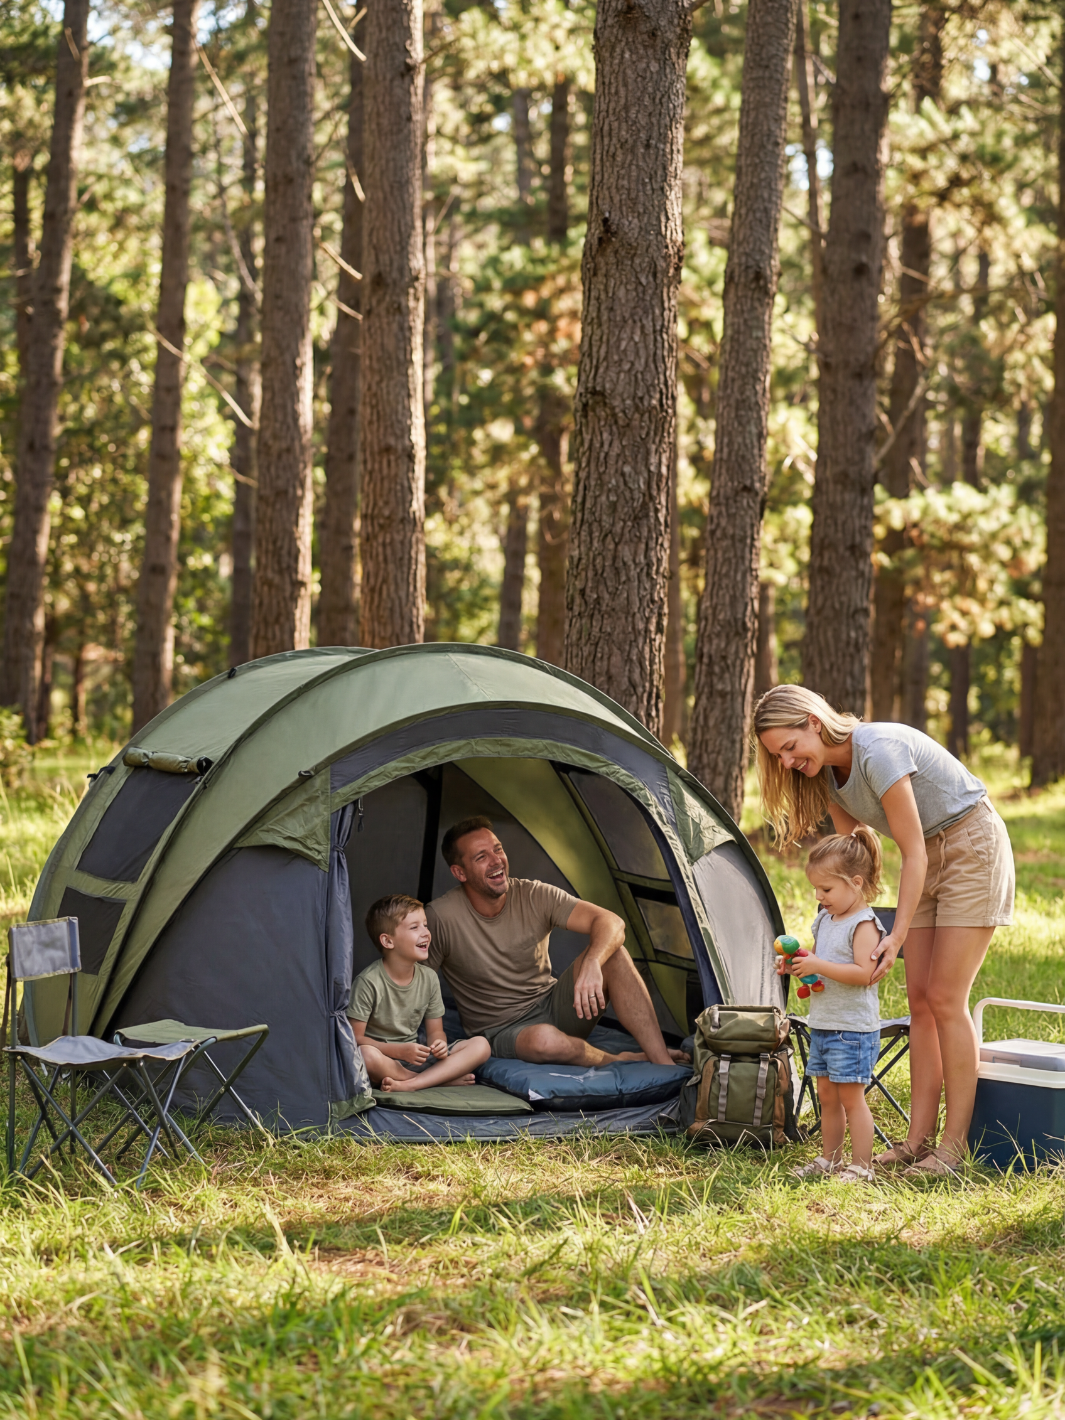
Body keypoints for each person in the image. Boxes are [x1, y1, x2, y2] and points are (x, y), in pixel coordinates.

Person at [754, 684, 1015, 1177]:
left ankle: (953, 1148)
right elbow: (855, 850)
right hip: (927, 858)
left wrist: (894, 937)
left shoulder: (877, 750)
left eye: (789, 747)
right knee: (918, 1000)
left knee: (943, 998)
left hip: (970, 847)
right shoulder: (831, 776)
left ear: (812, 720)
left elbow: (911, 850)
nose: (787, 762)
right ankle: (918, 1140)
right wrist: (841, 932)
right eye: (777, 756)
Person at [426, 817, 686, 1067]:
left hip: (555, 1005)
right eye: (482, 857)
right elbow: (416, 980)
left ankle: (661, 1060)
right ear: (459, 872)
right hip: (503, 1030)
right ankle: (619, 1061)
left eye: (498, 849)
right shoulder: (441, 917)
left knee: (614, 954)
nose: (497, 861)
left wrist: (593, 961)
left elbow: (611, 922)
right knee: (545, 1040)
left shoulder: (534, 894)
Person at [784, 829, 885, 1185]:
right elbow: (820, 959)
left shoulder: (864, 924)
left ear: (855, 883)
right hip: (824, 1022)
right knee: (826, 1095)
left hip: (852, 1029)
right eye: (816, 889)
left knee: (851, 1098)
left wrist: (819, 966)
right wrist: (800, 963)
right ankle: (830, 1159)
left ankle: (862, 1166)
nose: (819, 897)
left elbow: (864, 974)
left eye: (826, 890)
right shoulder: (825, 919)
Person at [348, 894, 491, 1092]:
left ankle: (415, 1083)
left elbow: (435, 1031)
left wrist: (438, 1045)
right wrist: (399, 1051)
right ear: (388, 941)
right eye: (415, 927)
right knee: (365, 1055)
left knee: (481, 1045)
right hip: (385, 1061)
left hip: (417, 1058)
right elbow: (355, 1038)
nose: (426, 932)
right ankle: (435, 1081)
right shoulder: (368, 982)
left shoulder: (429, 978)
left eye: (425, 925)